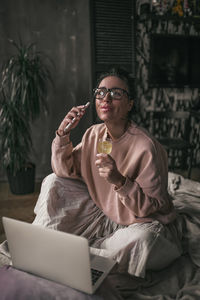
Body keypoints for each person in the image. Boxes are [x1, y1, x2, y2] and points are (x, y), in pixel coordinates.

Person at [32, 67, 182, 278]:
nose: (106, 98)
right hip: (104, 214)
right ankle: (42, 243)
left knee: (143, 242)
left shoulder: (146, 147)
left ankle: (82, 260)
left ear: (130, 104)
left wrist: (120, 181)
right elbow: (64, 170)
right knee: (52, 181)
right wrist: (63, 134)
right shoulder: (93, 134)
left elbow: (151, 208)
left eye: (116, 93)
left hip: (142, 222)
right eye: (101, 92)